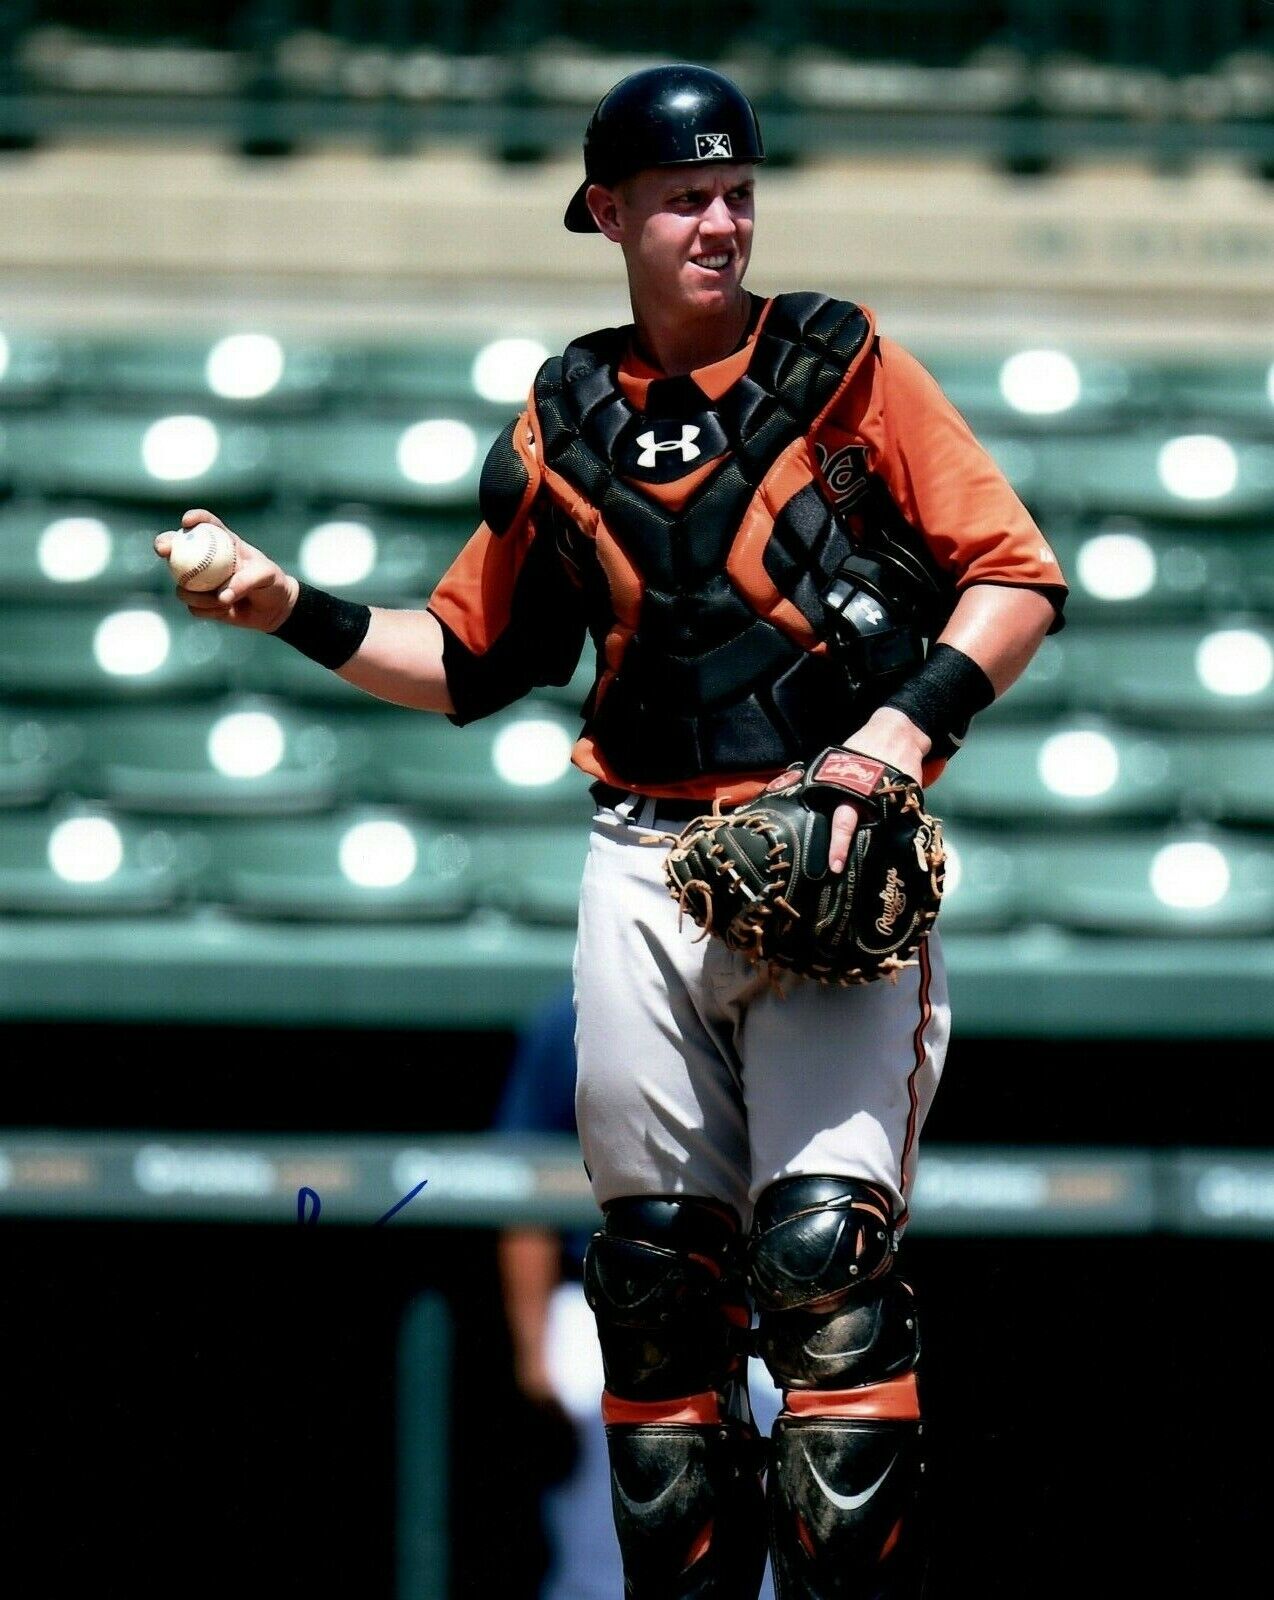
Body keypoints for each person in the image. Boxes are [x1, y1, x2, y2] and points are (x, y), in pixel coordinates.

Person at [156, 61, 1067, 1598]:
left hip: (822, 844)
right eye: (681, 197)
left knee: (824, 1265)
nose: (718, 221)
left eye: (736, 192)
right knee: (654, 1286)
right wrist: (278, 605)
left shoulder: (844, 364)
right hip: (642, 856)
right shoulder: (562, 411)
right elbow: (457, 660)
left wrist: (893, 741)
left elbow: (1013, 575)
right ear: (608, 213)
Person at [494, 983, 782, 1600]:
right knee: (607, 1558)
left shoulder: (777, 1006)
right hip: (602, 1306)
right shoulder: (573, 1016)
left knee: (764, 1564)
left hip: (756, 1313)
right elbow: (522, 1196)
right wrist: (532, 1357)